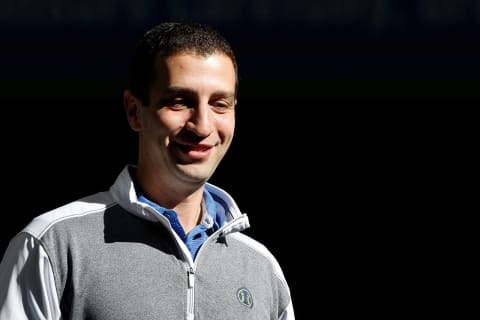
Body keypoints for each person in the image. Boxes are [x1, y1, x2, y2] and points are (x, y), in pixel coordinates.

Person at [0, 21, 295, 319]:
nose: (203, 125)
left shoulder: (262, 270)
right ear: (133, 111)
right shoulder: (53, 244)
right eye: (179, 102)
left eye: (220, 104)